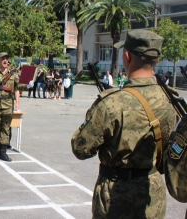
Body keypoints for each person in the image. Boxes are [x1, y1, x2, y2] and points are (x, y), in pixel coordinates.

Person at [71, 29, 176, 218]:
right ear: (156, 60)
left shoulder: (112, 102)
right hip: (152, 193)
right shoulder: (170, 100)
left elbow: (80, 148)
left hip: (115, 195)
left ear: (127, 56)